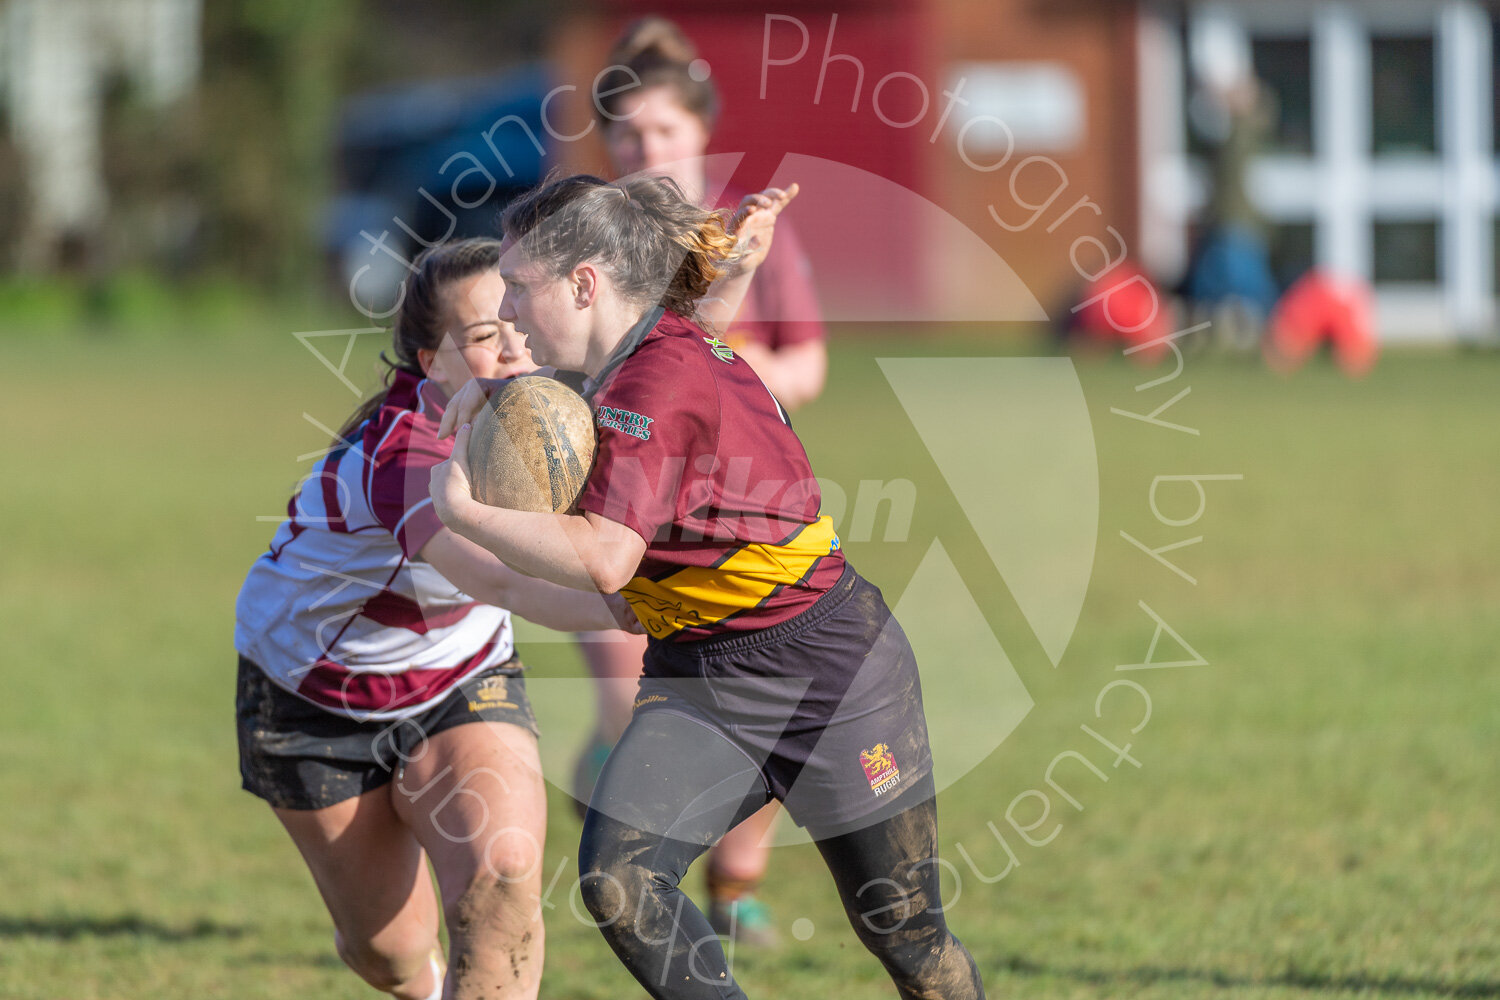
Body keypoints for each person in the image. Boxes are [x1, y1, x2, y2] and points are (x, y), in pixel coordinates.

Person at [428, 174, 985, 1000]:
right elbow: (630, 387)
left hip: (830, 671)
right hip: (700, 675)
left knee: (905, 934)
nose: (505, 311)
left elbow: (607, 559)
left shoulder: (652, 381)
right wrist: (506, 390)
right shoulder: (631, 355)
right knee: (620, 876)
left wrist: (462, 512)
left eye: (518, 287)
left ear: (584, 284)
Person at [234, 237, 638, 1000]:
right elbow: (496, 578)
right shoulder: (404, 449)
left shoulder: (565, 403)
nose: (515, 349)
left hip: (461, 677)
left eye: (517, 321)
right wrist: (641, 607)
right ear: (433, 362)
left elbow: (677, 359)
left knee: (505, 882)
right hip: (311, 697)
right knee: (388, 954)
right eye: (485, 336)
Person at [568, 17, 830, 943]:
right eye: (629, 134)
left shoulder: (747, 235)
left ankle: (738, 885)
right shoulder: (580, 240)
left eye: (665, 132)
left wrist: (716, 364)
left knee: (759, 702)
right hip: (618, 505)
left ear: (699, 137)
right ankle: (627, 818)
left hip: (736, 508)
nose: (646, 150)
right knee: (633, 707)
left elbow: (806, 367)